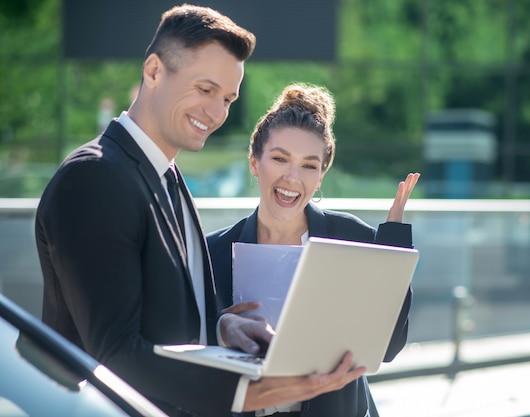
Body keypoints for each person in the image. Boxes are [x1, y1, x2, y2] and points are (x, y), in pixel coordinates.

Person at [35, 5, 364, 417]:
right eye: (205, 90)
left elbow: (160, 324)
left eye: (227, 99)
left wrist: (220, 327)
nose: (216, 113)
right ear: (153, 71)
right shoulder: (95, 177)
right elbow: (115, 352)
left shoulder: (167, 177)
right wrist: (251, 394)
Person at [206, 82, 420, 417]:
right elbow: (192, 345)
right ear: (254, 163)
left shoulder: (350, 238)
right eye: (279, 159)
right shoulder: (213, 252)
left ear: (321, 175)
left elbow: (388, 347)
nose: (293, 177)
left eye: (309, 165)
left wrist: (391, 244)